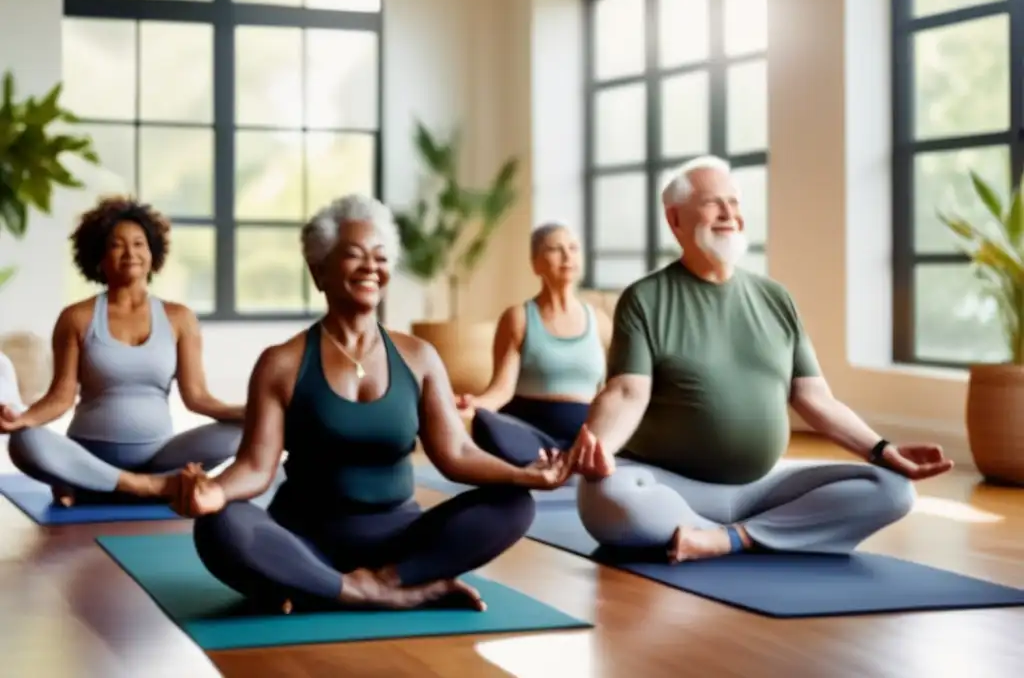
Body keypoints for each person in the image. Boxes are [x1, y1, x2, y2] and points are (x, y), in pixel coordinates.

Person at [169, 195, 572, 613]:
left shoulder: (419, 357)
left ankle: (370, 583)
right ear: (318, 269)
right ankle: (366, 590)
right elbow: (255, 466)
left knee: (513, 504)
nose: (370, 268)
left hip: (399, 542)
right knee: (220, 525)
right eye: (354, 256)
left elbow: (456, 453)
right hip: (304, 540)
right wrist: (213, 492)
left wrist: (523, 475)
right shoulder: (281, 363)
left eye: (380, 258)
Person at [565, 156, 953, 563]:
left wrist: (881, 449)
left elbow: (816, 399)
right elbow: (627, 392)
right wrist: (599, 448)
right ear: (675, 219)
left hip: (761, 490)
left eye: (734, 203)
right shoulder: (645, 298)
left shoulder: (776, 299)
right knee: (608, 496)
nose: (729, 214)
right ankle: (762, 533)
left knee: (893, 489)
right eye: (714, 203)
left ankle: (730, 539)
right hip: (670, 487)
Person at [0, 196, 245, 506]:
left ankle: (89, 484)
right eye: (117, 245)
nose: (130, 253)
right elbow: (60, 398)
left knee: (239, 433)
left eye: (139, 243)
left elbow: (198, 398)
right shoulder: (77, 317)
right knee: (26, 440)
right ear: (99, 257)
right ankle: (147, 488)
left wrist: (249, 413)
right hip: (89, 453)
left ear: (153, 252)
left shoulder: (179, 318)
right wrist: (21, 419)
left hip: (159, 455)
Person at [456, 222, 612, 467]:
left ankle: (571, 459)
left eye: (573, 248)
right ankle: (547, 461)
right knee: (486, 424)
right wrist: (473, 405)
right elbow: (501, 390)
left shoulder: (600, 321)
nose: (567, 256)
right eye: (555, 249)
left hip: (583, 435)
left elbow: (610, 393)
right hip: (529, 432)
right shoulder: (518, 318)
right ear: (536, 263)